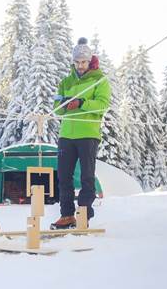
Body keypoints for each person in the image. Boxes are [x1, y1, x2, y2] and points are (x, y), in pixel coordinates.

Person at [51, 38, 111, 229]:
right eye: (77, 62)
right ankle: (67, 215)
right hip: (67, 134)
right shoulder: (66, 82)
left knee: (86, 175)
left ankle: (84, 213)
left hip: (88, 134)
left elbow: (102, 105)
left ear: (90, 60)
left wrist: (82, 103)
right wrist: (64, 104)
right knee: (64, 176)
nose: (80, 66)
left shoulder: (99, 79)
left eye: (83, 62)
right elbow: (57, 109)